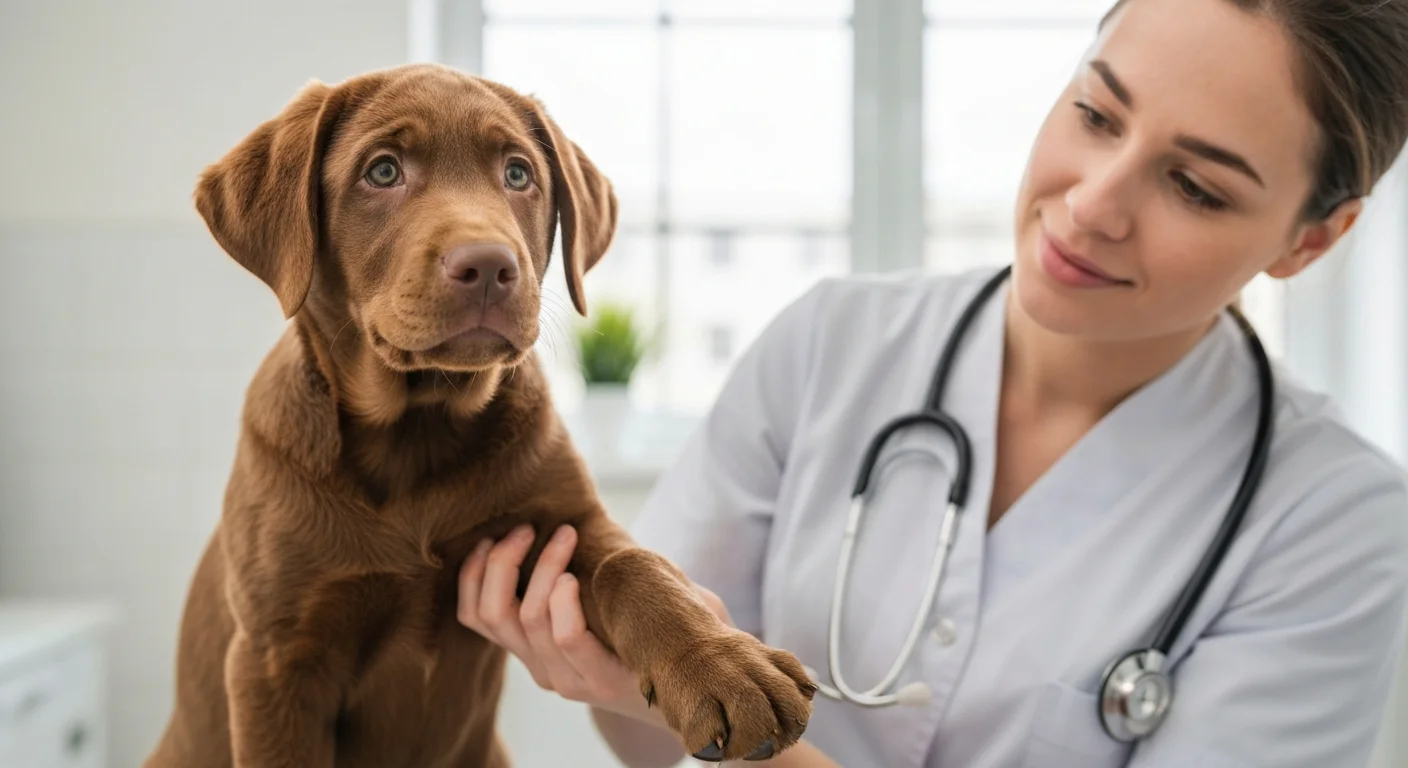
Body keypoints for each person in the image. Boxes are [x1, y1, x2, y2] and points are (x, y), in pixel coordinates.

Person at [456, 0, 1408, 764]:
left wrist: (688, 697)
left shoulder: (1331, 523)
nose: (1091, 204)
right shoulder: (829, 347)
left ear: (1312, 238)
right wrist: (630, 679)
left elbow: (682, 718)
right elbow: (646, 745)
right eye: (1096, 113)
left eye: (1194, 186)